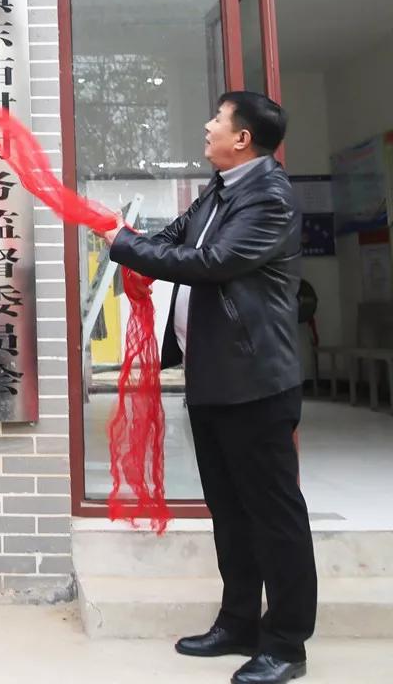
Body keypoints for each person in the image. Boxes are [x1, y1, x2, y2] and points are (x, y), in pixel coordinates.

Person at [104, 92, 317, 684]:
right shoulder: (218, 190)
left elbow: (211, 262)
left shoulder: (268, 198)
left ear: (243, 137)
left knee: (274, 517)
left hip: (256, 383)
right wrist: (126, 235)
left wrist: (126, 244)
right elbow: (173, 240)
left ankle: (287, 644)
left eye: (218, 119)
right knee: (230, 511)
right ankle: (239, 622)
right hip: (214, 378)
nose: (208, 125)